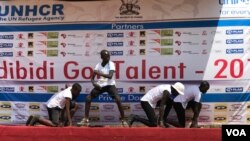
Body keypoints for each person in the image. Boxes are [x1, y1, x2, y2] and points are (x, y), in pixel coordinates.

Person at [77, 49, 126, 126]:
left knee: (118, 99)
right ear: (102, 57)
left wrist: (98, 73)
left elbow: (110, 76)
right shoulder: (98, 65)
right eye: (106, 57)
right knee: (88, 98)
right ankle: (86, 119)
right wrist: (94, 84)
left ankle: (123, 120)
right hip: (101, 85)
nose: (108, 58)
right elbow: (92, 78)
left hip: (110, 85)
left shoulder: (111, 64)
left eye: (108, 56)